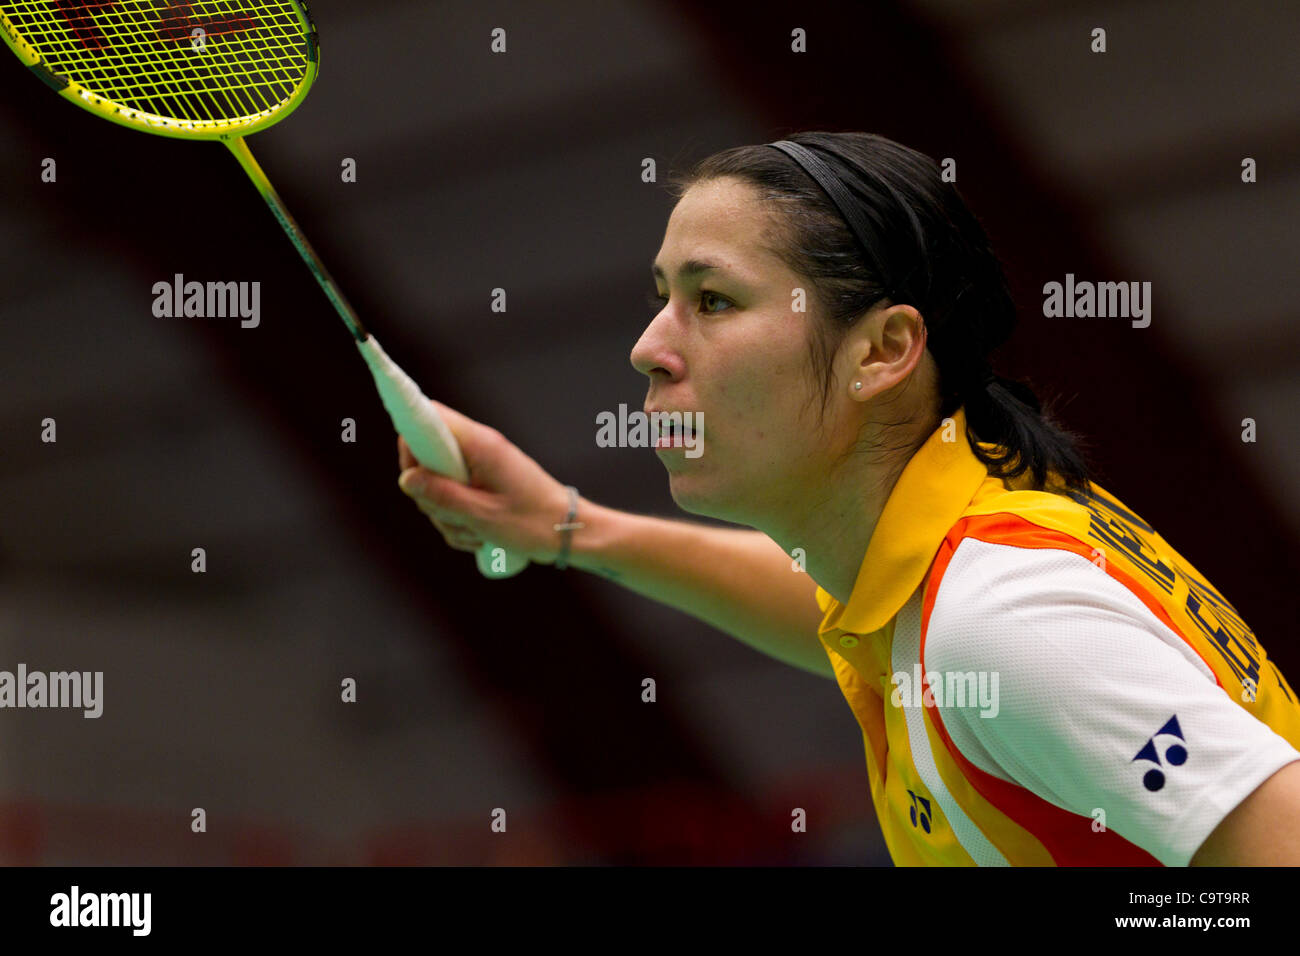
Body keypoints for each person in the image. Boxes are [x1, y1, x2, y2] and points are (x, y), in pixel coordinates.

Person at [396, 131, 1300, 866]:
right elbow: (864, 626)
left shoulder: (1006, 622)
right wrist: (569, 527)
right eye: (661, 297)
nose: (648, 347)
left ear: (881, 351)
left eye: (712, 300)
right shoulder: (947, 573)